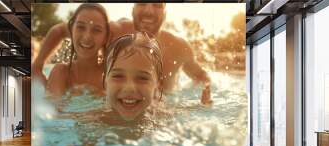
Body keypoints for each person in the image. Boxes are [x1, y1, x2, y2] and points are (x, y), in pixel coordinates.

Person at [32, 3, 212, 104]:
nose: (149, 10)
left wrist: (205, 94)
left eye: (157, 4)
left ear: (165, 12)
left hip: (163, 112)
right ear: (132, 9)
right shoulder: (116, 31)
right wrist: (38, 66)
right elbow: (60, 30)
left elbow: (201, 75)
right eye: (142, 3)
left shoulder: (179, 47)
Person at [45, 3, 110, 97]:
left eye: (96, 30)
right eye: (81, 27)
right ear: (71, 30)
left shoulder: (112, 75)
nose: (87, 37)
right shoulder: (61, 72)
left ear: (105, 37)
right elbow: (52, 110)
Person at [103, 32, 163, 121]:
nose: (129, 88)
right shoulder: (89, 123)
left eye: (142, 78)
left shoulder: (169, 123)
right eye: (118, 76)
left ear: (157, 85)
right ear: (105, 81)